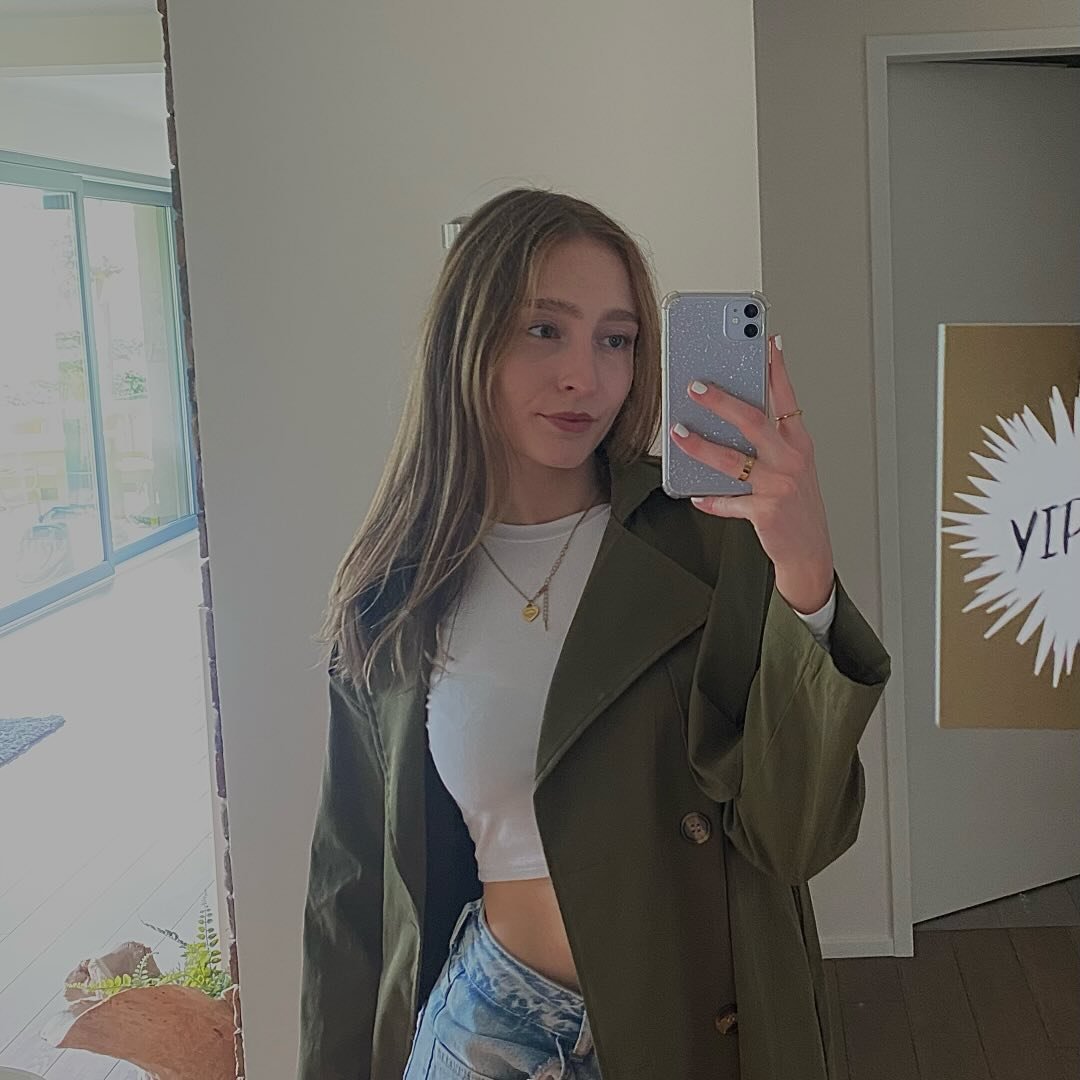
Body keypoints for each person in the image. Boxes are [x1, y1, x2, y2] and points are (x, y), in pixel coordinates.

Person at [298, 188, 891, 1080]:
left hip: (690, 1029)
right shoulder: (396, 591)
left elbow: (793, 838)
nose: (586, 376)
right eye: (545, 330)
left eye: (617, 339)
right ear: (467, 337)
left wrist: (806, 570)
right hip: (489, 1029)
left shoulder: (708, 538)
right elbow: (350, 895)